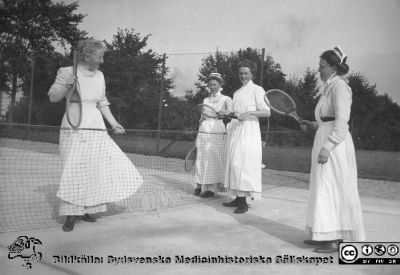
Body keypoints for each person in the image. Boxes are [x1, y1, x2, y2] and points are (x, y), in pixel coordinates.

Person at [48, 39, 143, 232]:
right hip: (74, 121)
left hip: (96, 123)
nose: (102, 61)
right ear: (86, 56)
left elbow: (102, 102)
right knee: (73, 166)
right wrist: (66, 85)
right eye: (99, 57)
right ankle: (71, 213)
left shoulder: (100, 75)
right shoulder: (66, 71)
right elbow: (53, 97)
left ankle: (89, 208)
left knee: (94, 166)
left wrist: (114, 123)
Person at [300, 47, 365, 253]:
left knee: (333, 188)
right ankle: (322, 234)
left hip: (335, 147)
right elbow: (327, 120)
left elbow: (342, 123)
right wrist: (313, 125)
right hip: (324, 138)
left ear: (334, 67)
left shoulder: (340, 87)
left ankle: (336, 238)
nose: (318, 70)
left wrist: (327, 147)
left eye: (322, 67)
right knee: (322, 188)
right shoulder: (327, 87)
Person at [222, 60, 270, 214]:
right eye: (241, 73)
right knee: (234, 163)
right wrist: (228, 114)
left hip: (249, 130)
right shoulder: (236, 93)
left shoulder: (258, 89)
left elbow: (266, 112)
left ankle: (243, 202)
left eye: (246, 73)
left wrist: (248, 114)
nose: (243, 76)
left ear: (252, 74)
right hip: (236, 130)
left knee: (244, 164)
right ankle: (237, 197)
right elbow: (237, 114)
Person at [194, 73, 232, 198]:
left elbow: (232, 114)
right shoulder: (205, 100)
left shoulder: (226, 99)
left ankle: (211, 189)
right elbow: (202, 118)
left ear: (220, 85)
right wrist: (199, 131)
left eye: (215, 84)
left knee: (214, 159)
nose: (212, 87)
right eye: (210, 84)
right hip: (205, 129)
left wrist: (225, 112)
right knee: (201, 158)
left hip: (217, 129)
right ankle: (199, 185)